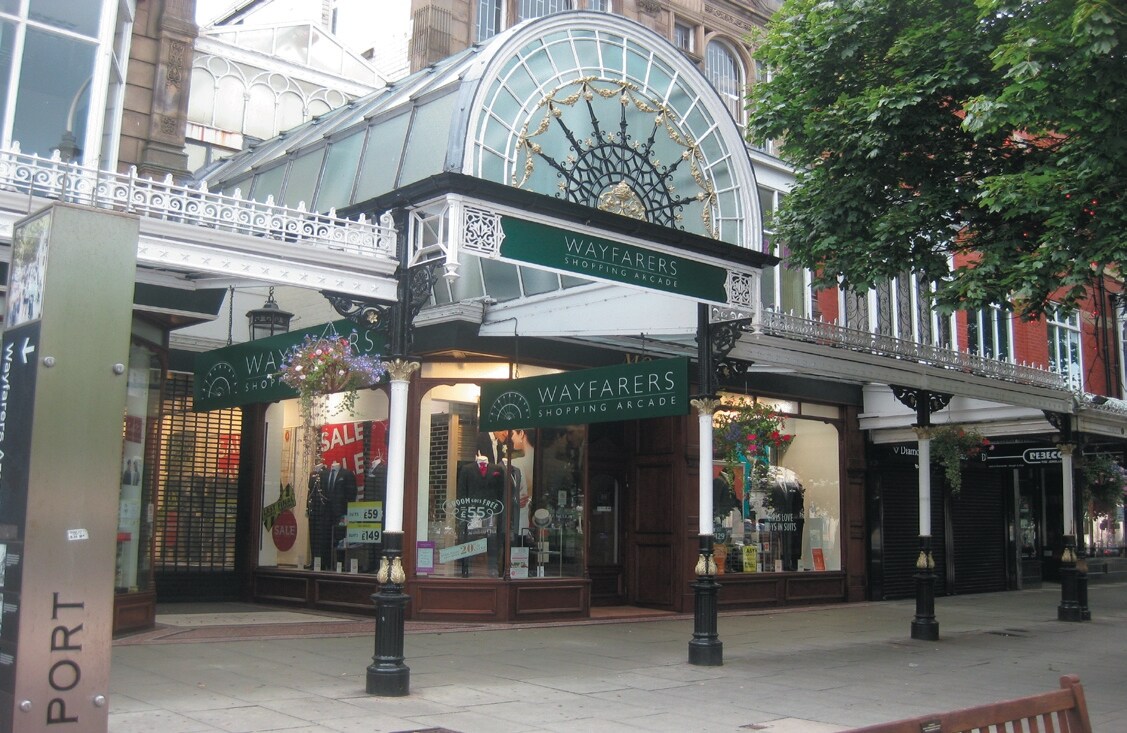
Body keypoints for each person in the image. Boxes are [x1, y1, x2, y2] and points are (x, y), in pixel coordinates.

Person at [307, 458, 357, 570]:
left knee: (340, 539)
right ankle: (326, 564)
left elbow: (352, 494)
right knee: (325, 539)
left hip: (341, 513)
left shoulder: (347, 474)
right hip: (326, 514)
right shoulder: (324, 474)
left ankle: (340, 565)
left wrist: (348, 512)